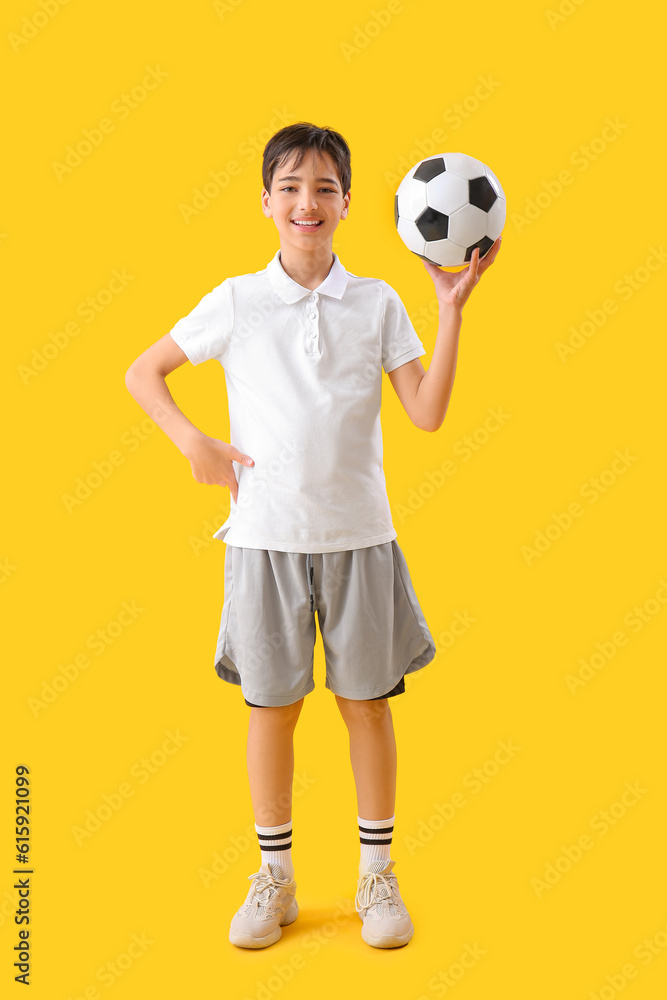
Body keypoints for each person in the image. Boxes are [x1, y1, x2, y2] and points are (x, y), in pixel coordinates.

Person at [125, 122, 501, 951]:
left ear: (349, 204)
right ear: (266, 203)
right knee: (272, 707)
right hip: (263, 539)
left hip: (360, 536)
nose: (307, 202)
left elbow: (427, 413)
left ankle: (376, 874)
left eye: (324, 188)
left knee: (366, 703)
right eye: (290, 187)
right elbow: (141, 372)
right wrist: (195, 442)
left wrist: (448, 312)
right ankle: (276, 878)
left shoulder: (377, 302)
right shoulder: (237, 299)